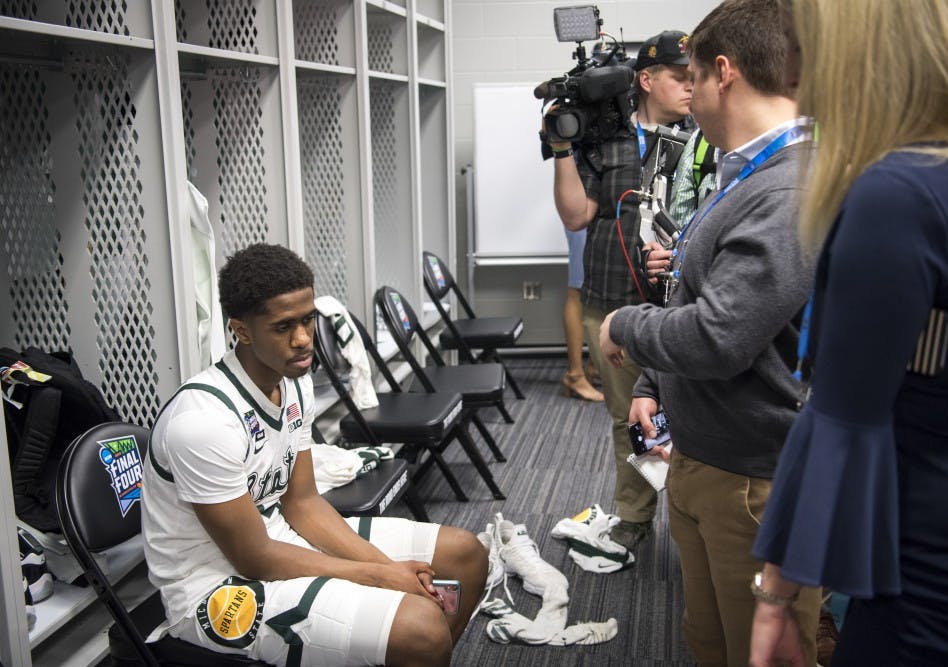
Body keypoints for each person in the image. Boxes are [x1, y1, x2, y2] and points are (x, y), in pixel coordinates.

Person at [749, 1, 948, 665]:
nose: (793, 70)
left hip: (939, 575)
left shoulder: (905, 195)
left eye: (803, 44)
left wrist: (776, 592)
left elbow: (841, 416)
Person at [598, 0, 823, 664]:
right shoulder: (743, 172)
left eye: (691, 77)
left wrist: (624, 326)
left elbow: (719, 334)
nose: (686, 96)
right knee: (710, 641)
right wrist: (651, 385)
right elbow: (695, 291)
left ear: (723, 72)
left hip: (752, 482)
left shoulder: (785, 188)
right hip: (705, 460)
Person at [141, 243, 488, 666]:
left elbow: (303, 504)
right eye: (284, 326)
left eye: (308, 320)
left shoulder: (294, 382)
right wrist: (382, 576)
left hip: (281, 534)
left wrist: (392, 574)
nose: (304, 339)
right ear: (242, 330)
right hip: (216, 585)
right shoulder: (203, 422)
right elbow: (254, 558)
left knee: (466, 554)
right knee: (421, 627)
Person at [548, 29, 693, 551]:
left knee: (692, 416)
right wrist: (562, 147)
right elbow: (577, 214)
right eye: (681, 77)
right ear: (648, 79)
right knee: (626, 417)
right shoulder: (604, 139)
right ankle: (633, 516)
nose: (691, 87)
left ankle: (693, 520)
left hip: (682, 308)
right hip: (609, 299)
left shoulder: (704, 140)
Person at [561, 228, 604, 402]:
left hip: (601, 216)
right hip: (584, 215)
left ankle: (594, 367)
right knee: (577, 290)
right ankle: (574, 376)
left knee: (600, 287)